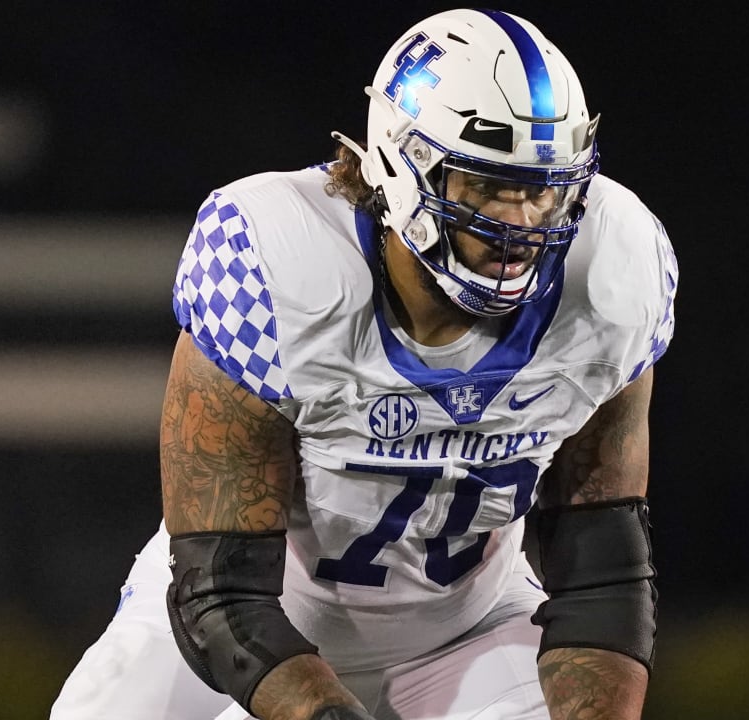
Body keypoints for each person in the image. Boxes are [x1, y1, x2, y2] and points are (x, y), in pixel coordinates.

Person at [50, 8, 677, 720]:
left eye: (543, 187)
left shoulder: (613, 272)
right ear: (401, 163)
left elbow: (603, 572)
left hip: (467, 628)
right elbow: (221, 593)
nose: (523, 221)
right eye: (487, 184)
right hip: (261, 616)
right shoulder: (280, 265)